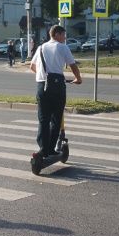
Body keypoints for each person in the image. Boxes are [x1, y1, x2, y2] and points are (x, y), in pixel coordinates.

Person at [29, 26, 82, 158]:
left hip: (42, 86)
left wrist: (43, 76)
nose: (65, 38)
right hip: (57, 86)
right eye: (64, 35)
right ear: (57, 34)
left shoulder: (41, 48)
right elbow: (73, 65)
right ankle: (51, 148)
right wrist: (78, 79)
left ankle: (43, 149)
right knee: (56, 119)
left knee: (43, 119)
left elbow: (32, 66)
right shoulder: (62, 47)